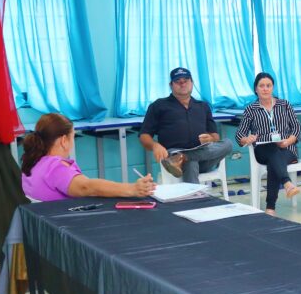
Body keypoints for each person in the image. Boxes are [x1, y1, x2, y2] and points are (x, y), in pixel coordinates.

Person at [21, 113, 155, 201]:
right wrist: (132, 188)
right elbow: (87, 187)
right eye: (72, 136)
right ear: (63, 140)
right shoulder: (56, 167)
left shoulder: (33, 161)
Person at [139, 67, 233, 184]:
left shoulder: (203, 106)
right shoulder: (159, 106)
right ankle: (195, 198)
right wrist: (155, 145)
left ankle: (183, 157)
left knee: (228, 143)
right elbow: (144, 135)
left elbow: (215, 136)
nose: (182, 84)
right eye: (178, 81)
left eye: (186, 80)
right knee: (191, 163)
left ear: (192, 83)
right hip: (173, 157)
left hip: (204, 156)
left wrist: (211, 138)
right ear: (171, 85)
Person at [235, 72, 301, 216]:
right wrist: (247, 139)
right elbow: (239, 135)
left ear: (272, 88)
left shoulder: (284, 105)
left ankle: (270, 208)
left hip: (287, 148)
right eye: (261, 86)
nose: (265, 89)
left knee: (275, 161)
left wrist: (288, 141)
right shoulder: (250, 110)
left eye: (268, 86)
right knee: (271, 149)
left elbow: (297, 128)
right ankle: (287, 183)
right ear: (256, 89)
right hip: (263, 150)